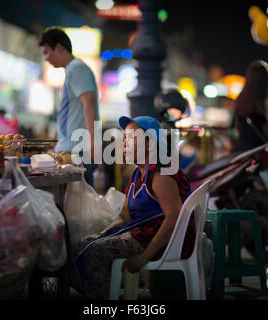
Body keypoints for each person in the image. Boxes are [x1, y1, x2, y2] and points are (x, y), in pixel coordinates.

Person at [73, 116, 195, 299]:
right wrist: (103, 232)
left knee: (95, 252)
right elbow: (125, 216)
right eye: (124, 139)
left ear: (149, 144)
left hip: (168, 240)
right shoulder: (139, 173)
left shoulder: (160, 172)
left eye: (131, 139)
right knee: (81, 246)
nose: (124, 145)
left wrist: (144, 257)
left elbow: (174, 216)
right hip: (143, 234)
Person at [39, 27, 99, 186]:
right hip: (73, 149)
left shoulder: (77, 68)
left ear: (58, 47)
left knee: (79, 205)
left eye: (47, 52)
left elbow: (89, 102)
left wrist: (93, 142)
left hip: (79, 150)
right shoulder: (73, 70)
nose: (46, 58)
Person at [231, 60, 268, 152]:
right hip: (258, 150)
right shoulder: (264, 102)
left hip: (240, 149)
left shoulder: (240, 99)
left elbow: (235, 126)